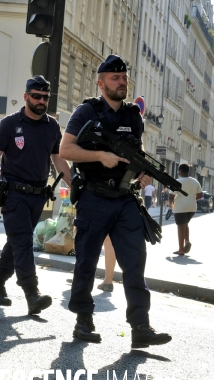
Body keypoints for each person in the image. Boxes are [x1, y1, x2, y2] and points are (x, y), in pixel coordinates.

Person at [59, 54, 171, 348]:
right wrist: (99, 155)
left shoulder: (133, 115)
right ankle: (83, 321)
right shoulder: (86, 112)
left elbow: (137, 152)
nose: (122, 82)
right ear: (101, 82)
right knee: (85, 261)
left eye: (124, 78)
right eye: (115, 78)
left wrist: (141, 175)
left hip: (125, 199)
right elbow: (65, 149)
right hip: (94, 196)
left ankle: (141, 327)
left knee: (135, 264)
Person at [0, 76, 71, 315]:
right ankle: (32, 293)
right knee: (22, 242)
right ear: (26, 96)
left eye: (45, 97)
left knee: (16, 243)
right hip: (13, 194)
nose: (41, 101)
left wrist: (77, 188)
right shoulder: (10, 123)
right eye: (36, 96)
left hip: (38, 196)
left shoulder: (52, 126)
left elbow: (59, 158)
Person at [169, 164, 202, 256]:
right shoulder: (195, 181)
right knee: (185, 224)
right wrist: (192, 199)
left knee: (180, 227)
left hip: (180, 207)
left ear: (180, 171)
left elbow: (171, 196)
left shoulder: (177, 181)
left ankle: (181, 249)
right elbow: (200, 195)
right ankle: (187, 242)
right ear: (188, 171)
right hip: (192, 208)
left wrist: (171, 205)